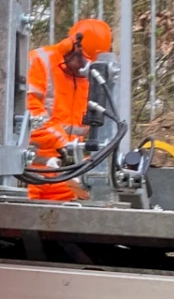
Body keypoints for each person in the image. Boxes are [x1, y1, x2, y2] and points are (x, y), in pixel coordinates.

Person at [24, 18, 113, 202]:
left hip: (64, 174)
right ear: (71, 45)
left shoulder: (92, 78)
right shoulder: (40, 61)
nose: (82, 67)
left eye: (88, 63)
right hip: (28, 171)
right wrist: (64, 145)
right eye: (82, 59)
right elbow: (29, 112)